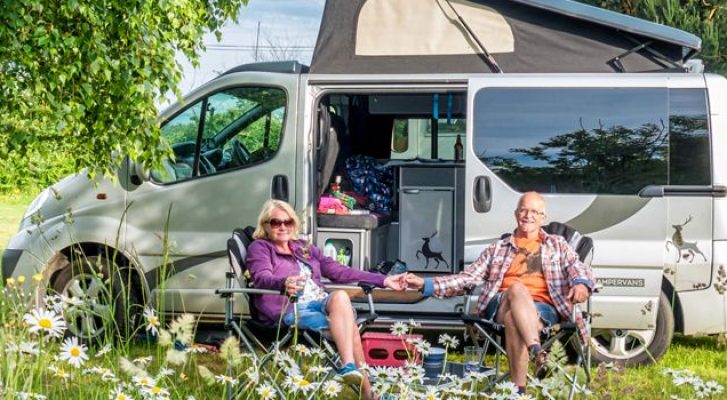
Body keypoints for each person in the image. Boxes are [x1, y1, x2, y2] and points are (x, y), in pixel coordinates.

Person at [404, 192, 593, 393]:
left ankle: (519, 391)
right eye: (524, 210)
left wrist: (581, 284)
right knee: (516, 288)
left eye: (535, 212)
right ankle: (537, 350)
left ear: (542, 218)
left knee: (514, 319)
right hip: (500, 305)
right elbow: (467, 278)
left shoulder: (557, 244)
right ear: (516, 213)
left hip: (542, 310)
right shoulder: (498, 248)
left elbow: (577, 267)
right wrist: (425, 284)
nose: (528, 215)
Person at [246, 199, 406, 399]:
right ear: (265, 225)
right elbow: (261, 277)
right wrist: (283, 282)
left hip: (319, 303)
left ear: (294, 224)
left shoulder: (303, 247)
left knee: (339, 296)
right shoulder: (260, 248)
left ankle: (349, 368)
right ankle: (368, 394)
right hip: (291, 309)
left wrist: (384, 280)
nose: (282, 227)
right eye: (276, 222)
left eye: (288, 222)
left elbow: (339, 271)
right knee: (350, 328)